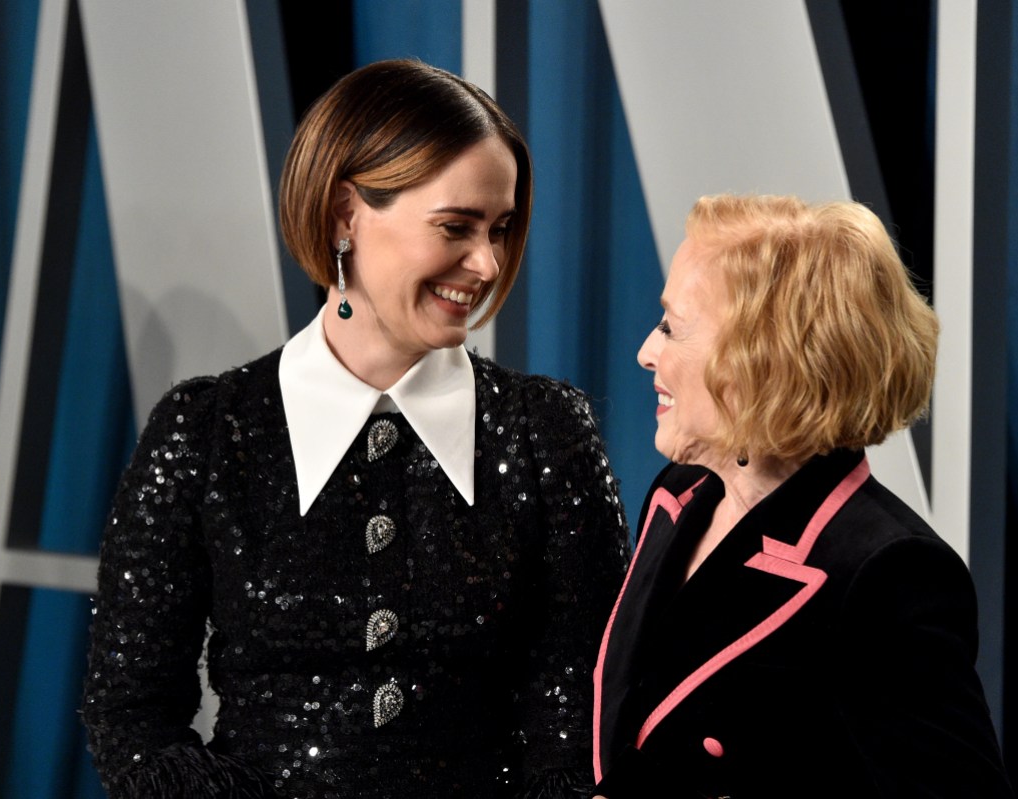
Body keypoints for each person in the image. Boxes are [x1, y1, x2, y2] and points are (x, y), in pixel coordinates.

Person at [82, 59, 630, 799]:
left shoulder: (547, 432)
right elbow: (131, 717)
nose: (488, 262)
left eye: (499, 229)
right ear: (346, 214)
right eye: (456, 227)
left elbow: (575, 726)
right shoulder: (205, 432)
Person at [591, 195, 1013, 797]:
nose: (645, 352)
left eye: (671, 328)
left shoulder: (888, 572)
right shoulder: (680, 496)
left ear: (765, 361)